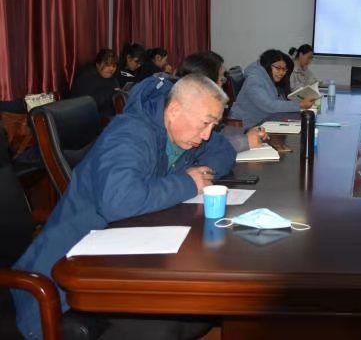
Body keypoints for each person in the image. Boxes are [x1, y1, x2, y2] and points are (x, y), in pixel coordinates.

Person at [12, 74, 235, 339]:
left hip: (123, 253)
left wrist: (201, 174)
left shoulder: (184, 132)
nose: (207, 135)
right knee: (175, 319)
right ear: (174, 110)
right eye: (206, 123)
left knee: (198, 305)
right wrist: (187, 182)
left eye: (214, 125)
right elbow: (118, 202)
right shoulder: (130, 133)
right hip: (63, 281)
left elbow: (224, 151)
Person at [176, 52, 267, 153]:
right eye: (221, 80)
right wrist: (244, 141)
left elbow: (219, 131)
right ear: (207, 83)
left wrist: (246, 131)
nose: (222, 86)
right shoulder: (186, 110)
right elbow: (203, 148)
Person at [229, 49, 314, 129]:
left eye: (284, 69)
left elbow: (278, 100)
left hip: (263, 122)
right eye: (278, 68)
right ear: (268, 65)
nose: (281, 73)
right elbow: (269, 105)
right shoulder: (254, 80)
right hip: (244, 126)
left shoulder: (268, 77)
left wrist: (298, 101)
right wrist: (299, 105)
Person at [69, 49, 120, 118]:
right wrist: (110, 92)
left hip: (109, 117)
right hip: (85, 118)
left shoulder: (113, 79)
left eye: (114, 66)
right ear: (97, 65)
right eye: (107, 65)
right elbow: (85, 104)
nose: (111, 69)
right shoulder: (86, 78)